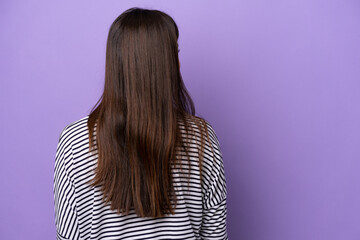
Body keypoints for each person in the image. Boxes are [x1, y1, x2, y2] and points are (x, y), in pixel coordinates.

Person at [54, 7, 228, 240]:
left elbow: (68, 236)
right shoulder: (202, 138)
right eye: (175, 53)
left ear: (114, 65)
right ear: (168, 66)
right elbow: (215, 236)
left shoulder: (74, 142)